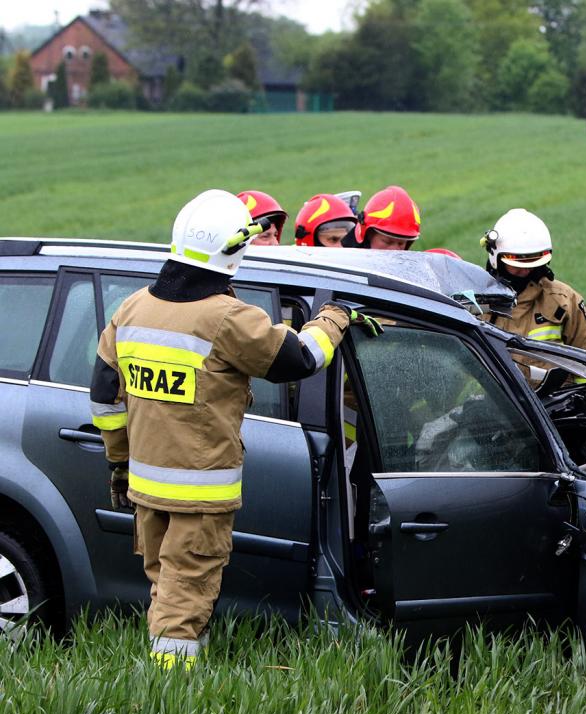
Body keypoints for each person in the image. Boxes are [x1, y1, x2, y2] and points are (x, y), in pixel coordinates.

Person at [89, 189, 380, 670]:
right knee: (185, 598)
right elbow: (301, 358)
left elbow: (104, 396)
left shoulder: (132, 310)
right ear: (233, 250)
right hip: (199, 497)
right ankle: (169, 690)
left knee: (168, 586)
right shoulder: (227, 318)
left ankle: (176, 669)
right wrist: (334, 317)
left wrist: (119, 463)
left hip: (146, 489)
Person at [481, 208, 586, 353]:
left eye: (533, 262)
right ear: (496, 259)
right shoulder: (477, 302)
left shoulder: (563, 300)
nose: (525, 270)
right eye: (517, 263)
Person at [344, 185, 421, 250]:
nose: (395, 250)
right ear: (368, 234)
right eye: (388, 242)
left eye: (401, 243)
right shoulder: (343, 254)